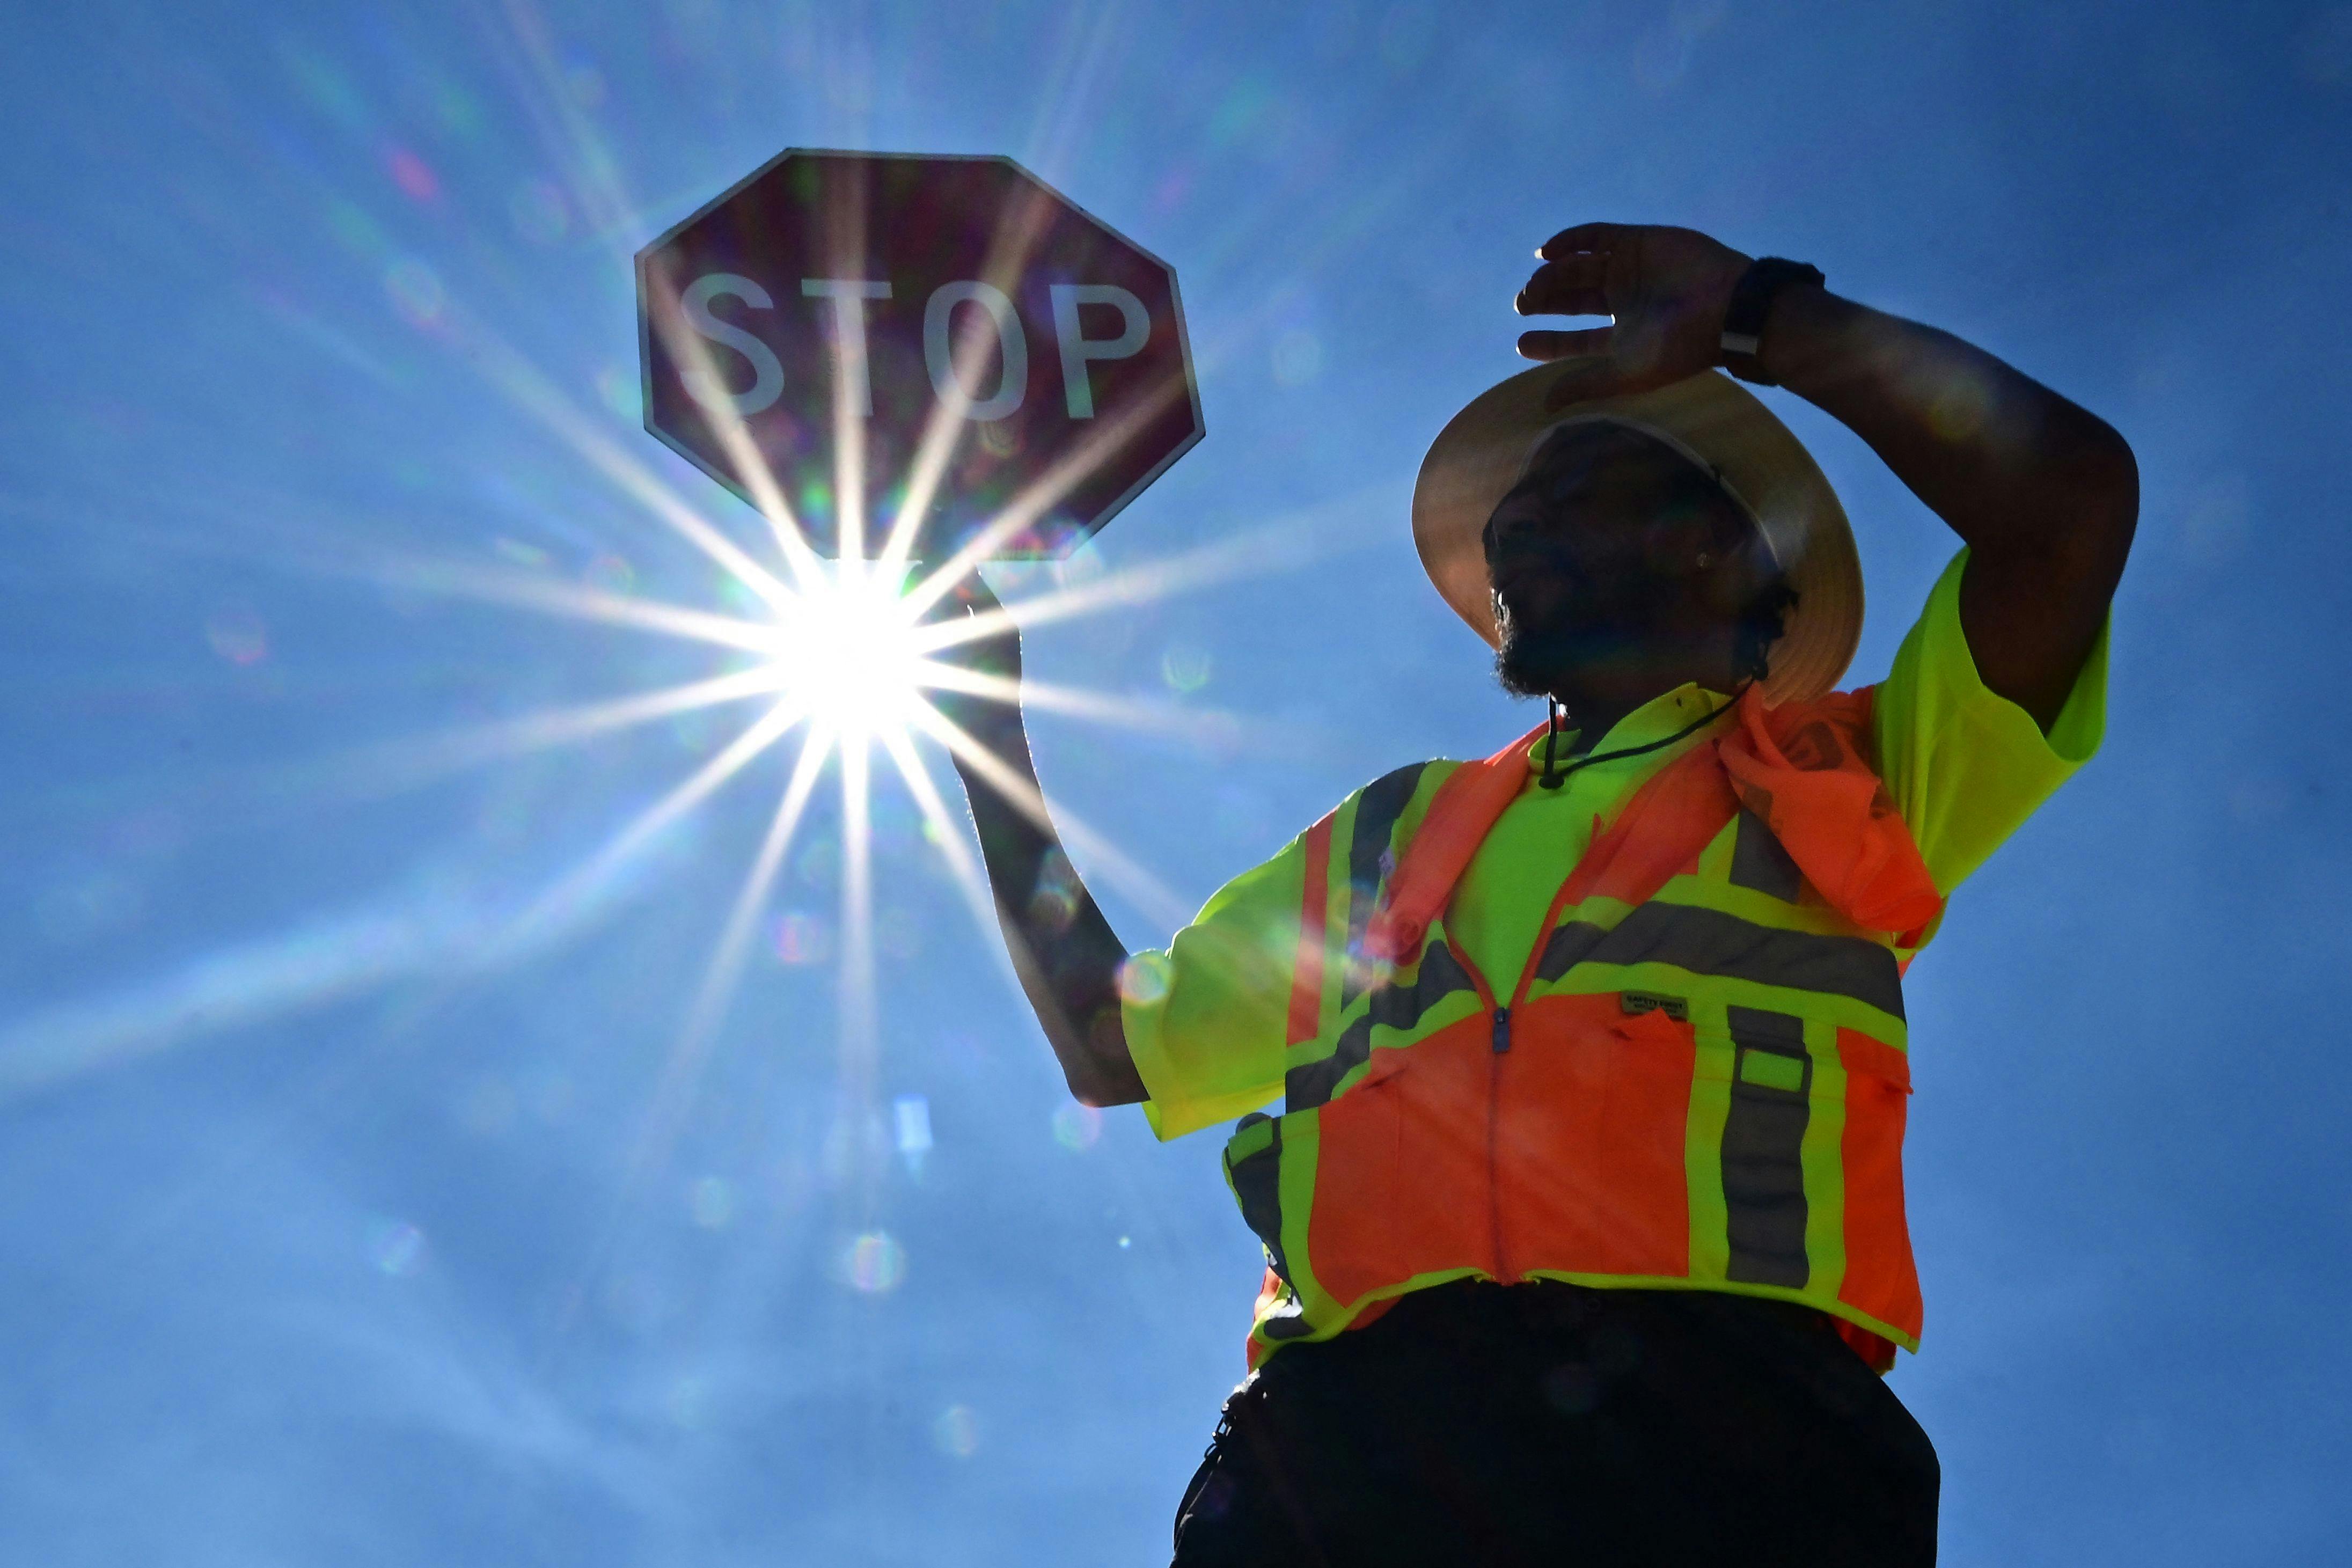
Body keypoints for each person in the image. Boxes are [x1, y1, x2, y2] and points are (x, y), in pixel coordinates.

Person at [936, 223, 2136, 1566]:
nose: (1510, 525)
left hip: (1729, 1456)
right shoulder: (1385, 833)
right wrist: (986, 734)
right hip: (1342, 1462)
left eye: (1573, 488)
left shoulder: (1856, 775)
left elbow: (2067, 505)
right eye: (1515, 508)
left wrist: (1756, 315)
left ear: (1722, 554)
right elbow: (1117, 1048)